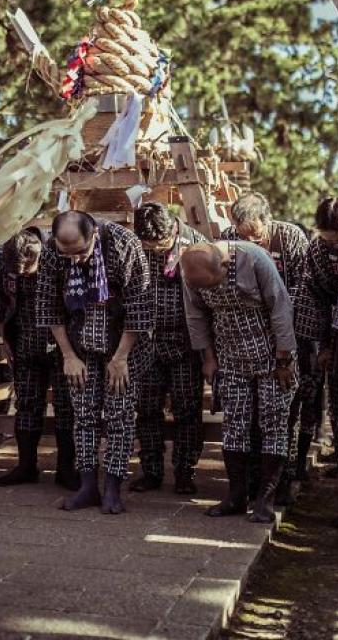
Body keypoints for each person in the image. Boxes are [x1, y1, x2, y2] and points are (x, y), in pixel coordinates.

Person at [36, 211, 153, 515]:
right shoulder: (52, 250)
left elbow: (140, 308)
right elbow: (49, 305)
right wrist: (68, 356)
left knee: (120, 415)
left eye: (80, 252)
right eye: (66, 253)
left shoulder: (125, 244)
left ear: (94, 237)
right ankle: (87, 485)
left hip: (122, 348)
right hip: (80, 347)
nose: (73, 260)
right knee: (84, 416)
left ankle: (113, 487)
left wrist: (121, 358)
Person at [180, 240, 297, 523]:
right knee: (234, 424)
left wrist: (284, 361)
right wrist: (208, 357)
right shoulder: (192, 272)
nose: (209, 291)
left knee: (273, 423)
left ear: (225, 264)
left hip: (272, 355)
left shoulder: (255, 260)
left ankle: (265, 501)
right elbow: (195, 315)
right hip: (230, 356)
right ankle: (236, 496)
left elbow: (281, 308)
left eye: (212, 284)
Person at [222, 192, 310, 503]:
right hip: (249, 335)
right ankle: (249, 485)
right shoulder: (228, 238)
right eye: (244, 236)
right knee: (249, 414)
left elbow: (302, 288)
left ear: (268, 221)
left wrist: (285, 342)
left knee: (286, 410)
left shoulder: (291, 238)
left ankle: (282, 482)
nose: (252, 244)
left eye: (256, 236)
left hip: (290, 331)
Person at [0, 228, 78, 490]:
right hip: (22, 338)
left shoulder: (60, 251)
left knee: (67, 404)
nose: (23, 274)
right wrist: (4, 340)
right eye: (18, 271)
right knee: (27, 402)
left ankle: (67, 468)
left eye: (28, 268)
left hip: (62, 340)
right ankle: (26, 466)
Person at [131, 202, 205, 495]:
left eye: (160, 243)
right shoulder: (137, 248)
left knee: (188, 409)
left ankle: (185, 471)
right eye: (149, 244)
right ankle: (151, 471)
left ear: (173, 228)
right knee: (146, 409)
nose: (155, 249)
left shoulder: (197, 245)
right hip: (146, 343)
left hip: (185, 343)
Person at [296, 197, 338, 523]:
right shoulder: (316, 252)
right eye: (328, 239)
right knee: (336, 400)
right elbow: (317, 297)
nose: (334, 246)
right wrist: (322, 344)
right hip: (333, 329)